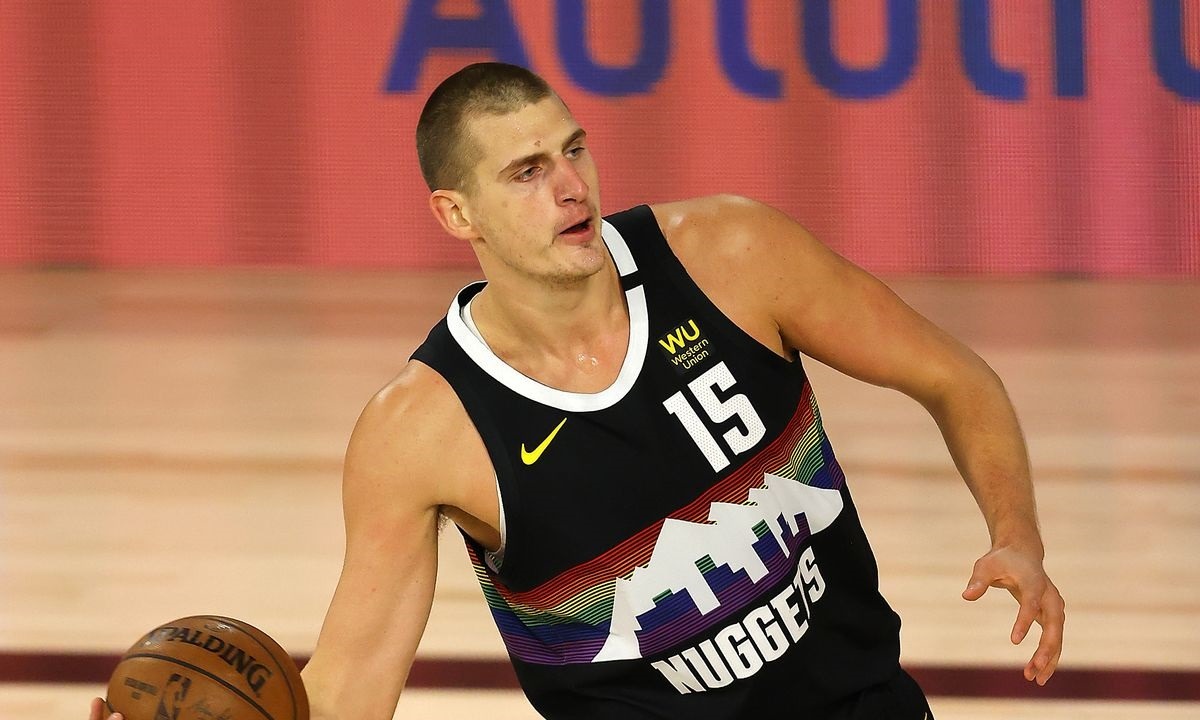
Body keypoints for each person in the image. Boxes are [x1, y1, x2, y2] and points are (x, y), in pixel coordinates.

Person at [91, 62, 1063, 720]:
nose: (571, 186)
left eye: (574, 149)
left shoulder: (734, 256)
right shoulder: (422, 431)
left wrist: (1016, 533)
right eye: (526, 171)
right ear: (456, 212)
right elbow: (351, 687)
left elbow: (956, 377)